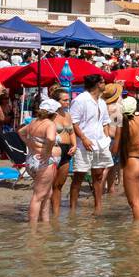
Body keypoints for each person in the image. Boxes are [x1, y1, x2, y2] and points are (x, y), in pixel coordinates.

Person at [69, 74, 113, 213]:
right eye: (103, 82)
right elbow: (73, 122)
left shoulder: (101, 101)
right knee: (79, 176)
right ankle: (73, 209)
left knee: (98, 174)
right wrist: (83, 138)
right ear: (97, 84)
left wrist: (106, 138)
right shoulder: (81, 100)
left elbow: (105, 122)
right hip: (84, 143)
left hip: (100, 142)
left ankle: (98, 206)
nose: (105, 84)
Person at [24, 96, 61, 223]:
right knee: (38, 196)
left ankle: (45, 224)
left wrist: (30, 144)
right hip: (44, 162)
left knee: (47, 193)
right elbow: (51, 138)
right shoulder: (49, 124)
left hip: (31, 160)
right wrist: (47, 151)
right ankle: (32, 230)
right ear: (53, 113)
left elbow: (20, 132)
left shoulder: (33, 122)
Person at [48, 86, 76, 219]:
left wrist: (75, 145)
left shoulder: (68, 115)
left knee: (59, 185)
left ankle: (56, 215)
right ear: (57, 101)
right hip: (54, 151)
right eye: (65, 100)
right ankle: (47, 213)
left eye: (68, 99)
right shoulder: (51, 115)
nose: (68, 102)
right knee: (50, 185)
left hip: (67, 151)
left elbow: (71, 132)